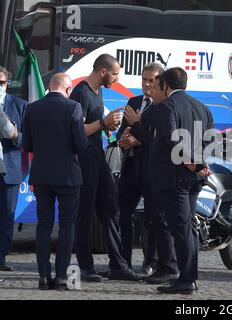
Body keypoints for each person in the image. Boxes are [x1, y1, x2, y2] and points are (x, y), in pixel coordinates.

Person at [141, 67, 213, 294]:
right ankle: (188, 276)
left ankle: (187, 280)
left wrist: (189, 161)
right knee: (189, 227)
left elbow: (172, 137)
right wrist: (199, 164)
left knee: (181, 229)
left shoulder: (166, 106)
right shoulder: (202, 107)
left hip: (174, 178)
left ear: (166, 85)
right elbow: (210, 140)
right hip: (193, 178)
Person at [70, 54, 140, 282]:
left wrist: (108, 127)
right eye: (115, 74)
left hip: (98, 158)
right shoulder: (81, 92)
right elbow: (76, 131)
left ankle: (118, 264)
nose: (116, 79)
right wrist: (102, 123)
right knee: (85, 214)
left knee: (112, 209)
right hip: (84, 159)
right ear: (103, 71)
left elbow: (95, 126)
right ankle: (86, 267)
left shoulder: (98, 93)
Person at [22, 73, 89, 290]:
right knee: (67, 225)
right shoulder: (73, 108)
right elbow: (81, 145)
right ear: (68, 89)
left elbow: (28, 145)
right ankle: (62, 277)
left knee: (43, 225)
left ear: (50, 87)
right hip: (68, 176)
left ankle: (43, 277)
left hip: (41, 175)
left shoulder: (32, 108)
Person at [117, 63, 177, 278]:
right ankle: (123, 262)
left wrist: (137, 139)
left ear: (161, 82)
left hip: (152, 172)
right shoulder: (133, 102)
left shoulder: (164, 105)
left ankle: (151, 261)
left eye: (152, 80)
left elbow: (158, 139)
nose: (147, 84)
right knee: (122, 215)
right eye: (144, 79)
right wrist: (124, 138)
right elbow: (120, 133)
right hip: (130, 169)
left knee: (153, 218)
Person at [0, 66, 27, 272]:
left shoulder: (19, 105)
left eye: (1, 83)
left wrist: (16, 136)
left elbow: (29, 139)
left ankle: (1, 257)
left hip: (9, 169)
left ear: (7, 84)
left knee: (7, 215)